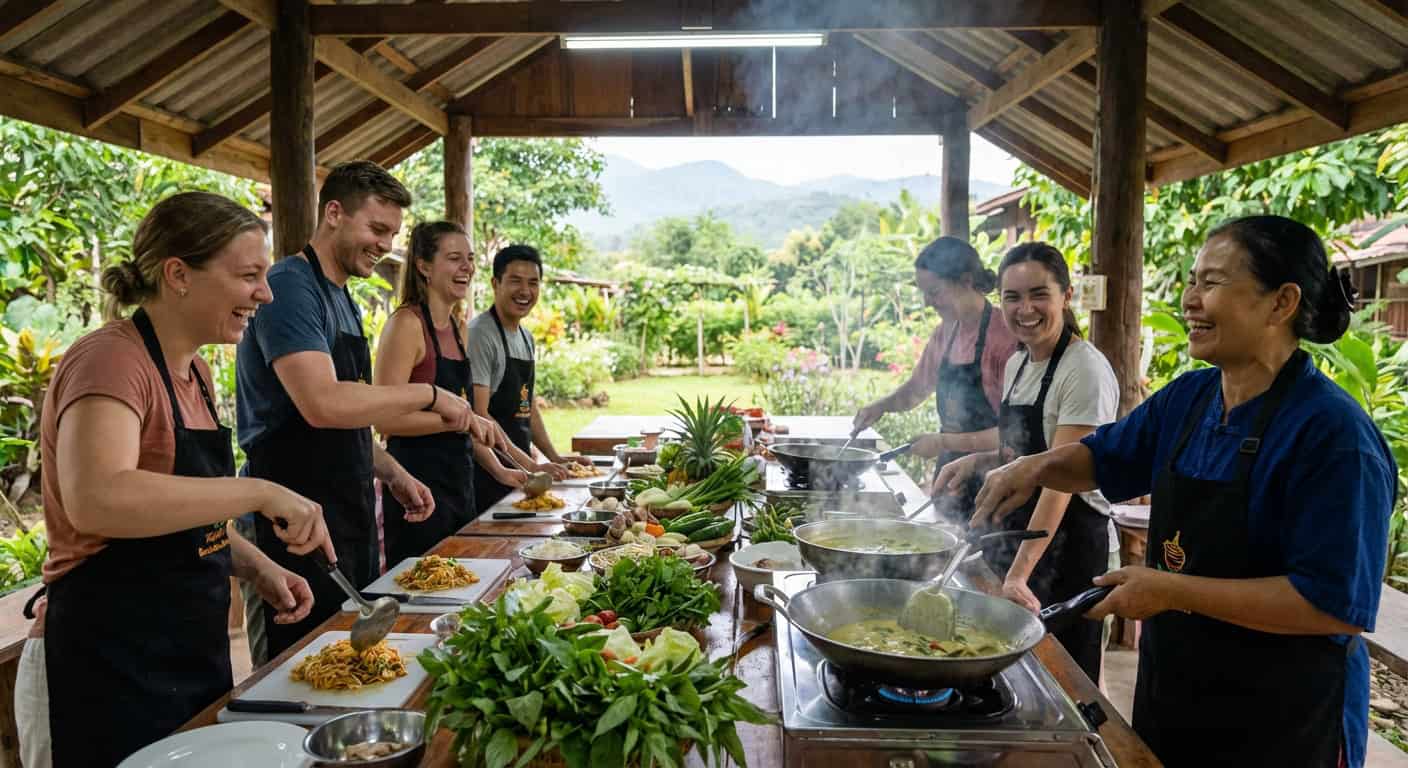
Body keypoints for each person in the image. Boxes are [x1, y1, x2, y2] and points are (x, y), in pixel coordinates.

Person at [956, 216, 1395, 768]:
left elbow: (1333, 605)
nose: (1189, 299)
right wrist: (1032, 467)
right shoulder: (1191, 397)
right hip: (1179, 687)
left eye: (1211, 283)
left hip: (1283, 715)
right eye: (1192, 280)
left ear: (1281, 303)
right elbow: (1101, 458)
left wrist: (1173, 591)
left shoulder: (1333, 436)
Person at [27, 192, 334, 767]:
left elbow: (181, 512)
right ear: (178, 275)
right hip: (104, 665)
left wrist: (258, 565)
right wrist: (261, 491)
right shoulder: (111, 361)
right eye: (248, 275)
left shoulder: (193, 371)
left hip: (187, 655)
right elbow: (98, 499)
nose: (265, 294)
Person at [236, 161, 497, 658]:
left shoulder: (343, 299)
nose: (385, 245)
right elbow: (322, 404)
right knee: (298, 667)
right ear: (333, 213)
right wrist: (431, 396)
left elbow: (353, 411)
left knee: (349, 658)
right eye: (377, 229)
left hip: (347, 512)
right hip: (288, 518)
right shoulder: (291, 287)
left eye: (393, 233)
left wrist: (393, 473)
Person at [932, 242, 1118, 684]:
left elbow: (1060, 479)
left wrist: (1018, 575)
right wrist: (978, 460)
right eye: (1011, 297)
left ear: (1066, 295)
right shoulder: (1019, 360)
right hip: (1022, 536)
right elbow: (1021, 450)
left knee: (1063, 678)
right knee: (1011, 669)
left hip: (1071, 546)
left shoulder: (1084, 370)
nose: (1025, 309)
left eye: (1039, 294)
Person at [372, 222, 547, 562]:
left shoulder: (459, 327)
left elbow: (468, 420)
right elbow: (385, 421)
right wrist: (458, 421)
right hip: (416, 488)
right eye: (454, 258)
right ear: (424, 266)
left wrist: (502, 471)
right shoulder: (406, 325)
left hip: (459, 483)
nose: (466, 267)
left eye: (469, 258)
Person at [853, 237, 1018, 520]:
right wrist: (881, 406)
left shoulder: (1006, 338)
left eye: (935, 291)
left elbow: (1013, 436)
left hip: (998, 482)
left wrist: (943, 442)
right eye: (925, 293)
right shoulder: (945, 332)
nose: (928, 302)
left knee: (984, 559)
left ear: (966, 281)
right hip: (951, 477)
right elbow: (917, 389)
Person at [468, 245, 588, 513]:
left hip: (520, 471)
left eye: (533, 283)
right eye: (515, 281)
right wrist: (530, 466)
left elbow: (527, 406)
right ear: (495, 283)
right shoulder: (480, 335)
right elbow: (480, 415)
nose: (525, 291)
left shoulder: (526, 336)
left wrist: (554, 458)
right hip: (489, 471)